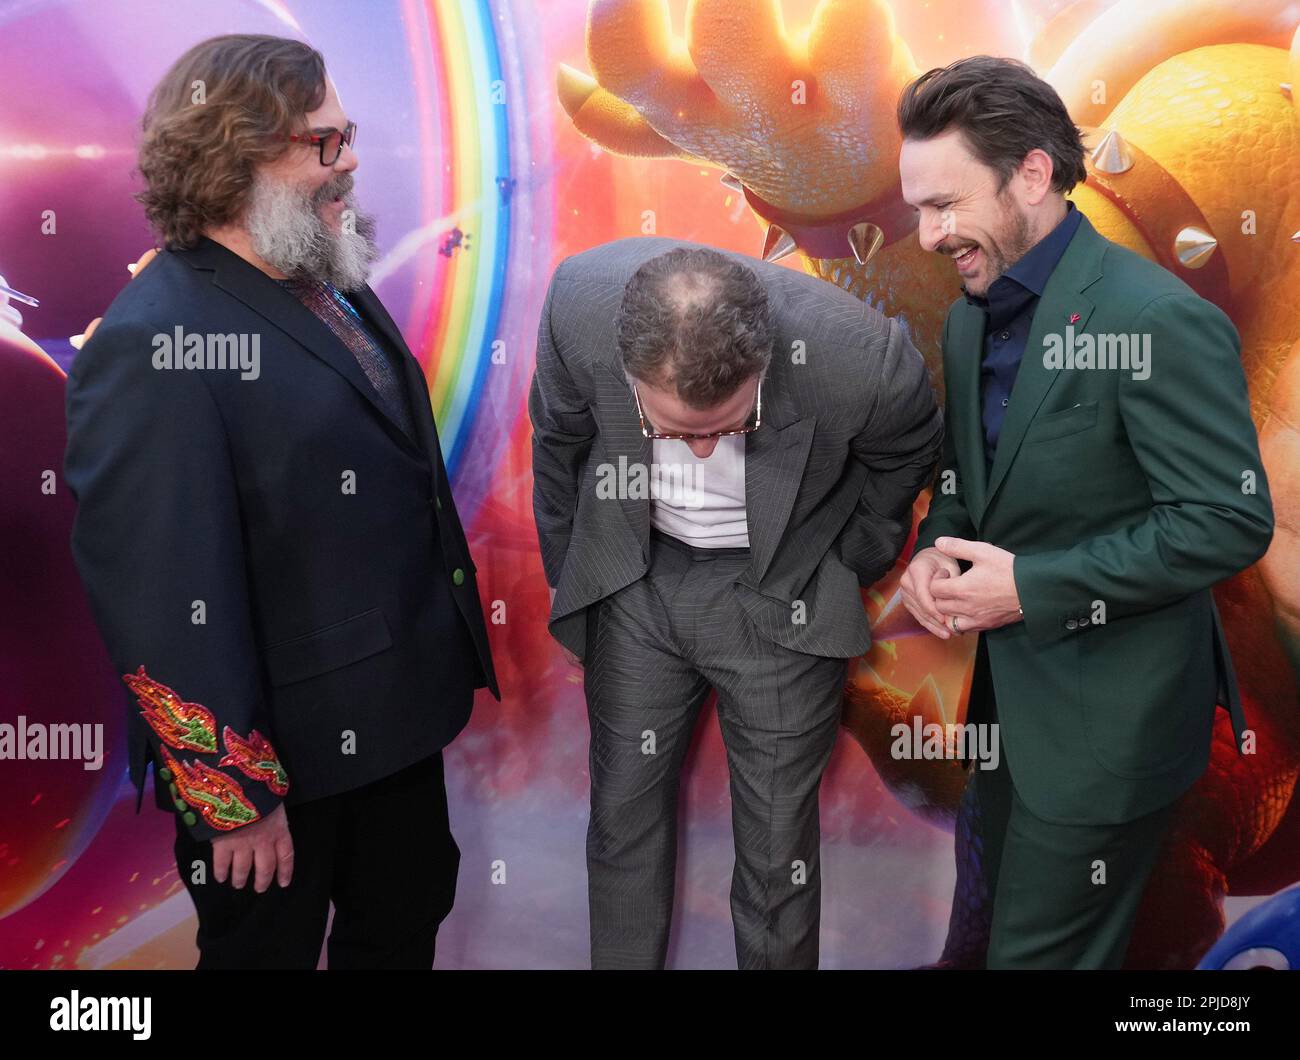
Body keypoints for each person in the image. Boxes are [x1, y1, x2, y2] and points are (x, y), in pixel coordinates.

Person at [64, 33, 498, 969]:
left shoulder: (319, 272)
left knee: (404, 921)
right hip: (277, 773)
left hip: (389, 724)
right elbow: (158, 596)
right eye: (323, 143)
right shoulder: (154, 339)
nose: (348, 165)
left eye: (347, 136)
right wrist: (236, 798)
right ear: (233, 154)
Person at [896, 55, 1274, 968]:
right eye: (917, 208)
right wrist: (933, 550)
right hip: (1006, 722)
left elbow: (1225, 523)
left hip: (1115, 731)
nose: (924, 235)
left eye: (945, 205)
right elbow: (967, 476)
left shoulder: (1156, 317)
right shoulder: (965, 318)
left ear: (1032, 174)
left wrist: (1030, 588)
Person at [529, 238, 942, 967]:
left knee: (777, 851)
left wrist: (848, 561)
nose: (696, 454)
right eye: (670, 430)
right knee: (621, 822)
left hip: (784, 599)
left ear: (764, 365)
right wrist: (570, 573)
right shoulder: (578, 307)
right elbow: (558, 442)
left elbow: (906, 456)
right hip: (635, 583)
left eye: (725, 428)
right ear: (629, 373)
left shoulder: (860, 360)